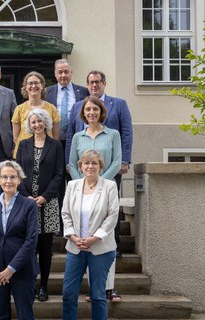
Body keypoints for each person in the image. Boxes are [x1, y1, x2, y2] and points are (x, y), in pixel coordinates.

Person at [66, 70, 133, 258]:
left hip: (108, 175)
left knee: (110, 211)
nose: (94, 85)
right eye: (91, 82)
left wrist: (102, 180)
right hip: (83, 178)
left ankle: (113, 245)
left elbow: (127, 132)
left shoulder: (119, 105)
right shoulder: (78, 107)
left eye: (98, 82)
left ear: (104, 83)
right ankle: (83, 242)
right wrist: (82, 180)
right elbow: (71, 140)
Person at [67, 96, 122, 303]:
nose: (91, 113)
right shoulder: (77, 137)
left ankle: (109, 288)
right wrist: (82, 184)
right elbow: (72, 164)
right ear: (83, 113)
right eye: (88, 109)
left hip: (106, 191)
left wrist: (99, 183)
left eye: (95, 109)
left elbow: (116, 162)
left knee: (105, 238)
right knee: (85, 237)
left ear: (101, 112)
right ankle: (93, 289)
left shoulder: (112, 134)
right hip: (82, 193)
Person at [61, 150, 119, 320]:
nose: (90, 166)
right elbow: (65, 214)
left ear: (101, 166)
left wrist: (95, 238)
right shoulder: (73, 185)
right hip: (75, 247)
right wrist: (72, 236)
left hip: (101, 248)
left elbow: (112, 215)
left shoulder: (109, 186)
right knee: (68, 294)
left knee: (98, 295)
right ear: (80, 166)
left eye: (94, 163)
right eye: (86, 163)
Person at [15, 109, 64, 302]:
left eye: (39, 121)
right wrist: (26, 196)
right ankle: (30, 284)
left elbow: (59, 174)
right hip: (26, 202)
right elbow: (17, 172)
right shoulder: (24, 144)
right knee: (28, 246)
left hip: (48, 202)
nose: (36, 125)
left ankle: (43, 286)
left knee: (45, 247)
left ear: (45, 123)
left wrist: (44, 197)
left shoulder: (55, 145)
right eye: (33, 122)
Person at [0, 161, 39, 320]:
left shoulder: (29, 205)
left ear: (19, 179)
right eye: (4, 177)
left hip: (22, 269)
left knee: (25, 315)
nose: (8, 181)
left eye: (13, 177)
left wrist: (10, 269)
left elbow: (31, 240)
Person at [46, 59, 89, 205]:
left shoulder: (84, 92)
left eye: (66, 71)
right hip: (54, 142)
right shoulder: (47, 92)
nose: (63, 75)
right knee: (56, 181)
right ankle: (60, 221)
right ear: (55, 74)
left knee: (75, 180)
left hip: (76, 142)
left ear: (71, 73)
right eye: (60, 72)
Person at [11, 71, 60, 158]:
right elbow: (15, 137)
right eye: (30, 83)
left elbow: (55, 136)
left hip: (46, 154)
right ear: (26, 87)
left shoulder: (52, 109)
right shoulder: (19, 109)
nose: (33, 86)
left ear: (42, 86)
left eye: (36, 83)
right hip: (24, 154)